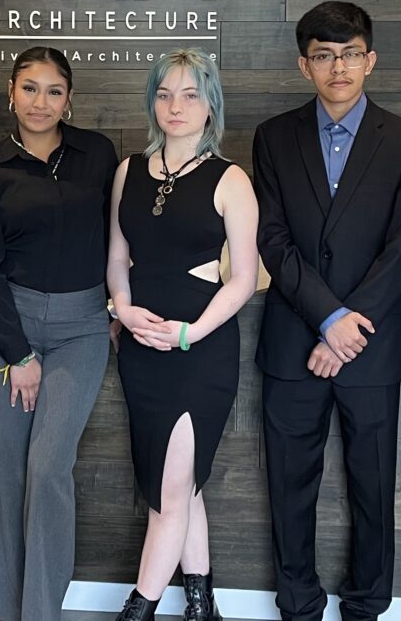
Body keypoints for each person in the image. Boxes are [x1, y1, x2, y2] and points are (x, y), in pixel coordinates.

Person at [253, 1, 401, 621]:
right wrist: (329, 319)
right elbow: (272, 239)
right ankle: (298, 605)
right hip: (292, 344)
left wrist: (347, 327)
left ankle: (366, 606)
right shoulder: (274, 137)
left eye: (351, 54)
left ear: (370, 60)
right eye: (324, 56)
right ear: (304, 65)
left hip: (370, 347)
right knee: (289, 488)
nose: (339, 67)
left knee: (372, 489)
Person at [0, 47, 118, 621]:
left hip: (82, 327)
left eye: (54, 91)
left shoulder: (96, 154)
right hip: (9, 326)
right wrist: (18, 354)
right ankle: (5, 612)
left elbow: (120, 237)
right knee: (8, 471)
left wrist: (121, 307)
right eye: (30, 88)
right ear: (11, 92)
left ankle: (40, 612)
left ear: (69, 99)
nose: (40, 102)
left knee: (49, 466)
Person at [107, 49, 259, 621]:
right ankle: (201, 605)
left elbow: (243, 279)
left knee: (169, 490)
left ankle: (139, 608)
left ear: (210, 104)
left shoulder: (231, 179)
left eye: (191, 94)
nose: (176, 105)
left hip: (200, 352)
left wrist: (190, 333)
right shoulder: (128, 171)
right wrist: (123, 309)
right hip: (141, 349)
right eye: (165, 93)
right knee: (178, 484)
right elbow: (117, 258)